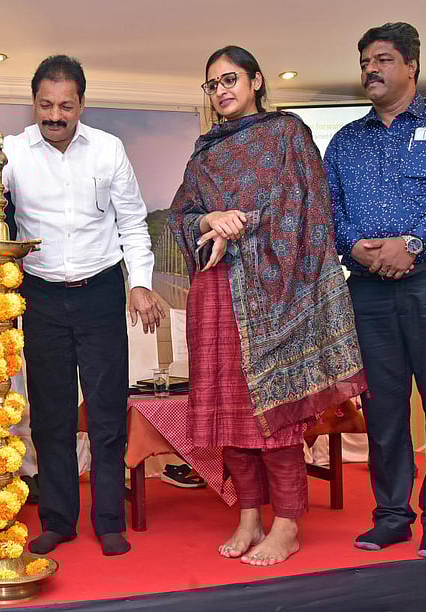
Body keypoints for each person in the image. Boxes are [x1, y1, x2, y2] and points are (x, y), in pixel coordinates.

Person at [0, 55, 164, 556]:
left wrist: (140, 283)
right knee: (51, 414)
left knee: (108, 411)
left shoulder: (109, 150)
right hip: (41, 295)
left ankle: (109, 520)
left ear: (81, 104)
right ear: (34, 103)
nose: (54, 115)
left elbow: (132, 222)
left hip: (101, 291)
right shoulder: (14, 151)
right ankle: (59, 520)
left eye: (65, 105)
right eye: (45, 104)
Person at [168, 46, 367, 566]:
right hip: (215, 289)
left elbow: (308, 207)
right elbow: (181, 216)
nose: (221, 90)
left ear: (256, 80)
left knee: (272, 414)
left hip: (273, 292)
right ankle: (249, 514)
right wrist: (210, 220)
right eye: (212, 84)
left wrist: (245, 222)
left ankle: (287, 522)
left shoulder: (286, 135)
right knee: (228, 411)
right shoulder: (204, 152)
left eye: (230, 79)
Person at [325, 22, 426, 560]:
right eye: (365, 62)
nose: (371, 70)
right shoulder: (348, 140)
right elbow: (330, 212)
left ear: (412, 65)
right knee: (383, 410)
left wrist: (411, 243)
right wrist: (361, 249)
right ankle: (392, 516)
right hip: (369, 290)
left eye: (384, 59)